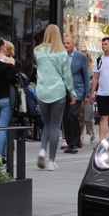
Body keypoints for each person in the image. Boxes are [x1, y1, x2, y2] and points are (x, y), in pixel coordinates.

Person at [35, 25, 76, 170]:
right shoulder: (62, 53)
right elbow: (67, 76)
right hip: (58, 92)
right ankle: (51, 161)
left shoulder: (37, 50)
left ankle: (42, 150)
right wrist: (72, 93)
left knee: (46, 124)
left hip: (42, 91)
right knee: (55, 126)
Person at [62, 35, 90, 153]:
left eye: (68, 43)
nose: (66, 45)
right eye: (64, 43)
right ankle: (69, 142)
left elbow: (85, 75)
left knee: (72, 115)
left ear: (74, 44)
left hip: (77, 89)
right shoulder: (61, 56)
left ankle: (75, 142)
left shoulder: (81, 57)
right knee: (65, 117)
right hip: (63, 90)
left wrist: (87, 94)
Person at [81, 50, 97, 144]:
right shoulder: (78, 67)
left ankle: (92, 133)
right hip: (80, 93)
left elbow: (95, 80)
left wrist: (93, 93)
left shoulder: (92, 68)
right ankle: (80, 136)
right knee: (80, 117)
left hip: (90, 93)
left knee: (88, 117)